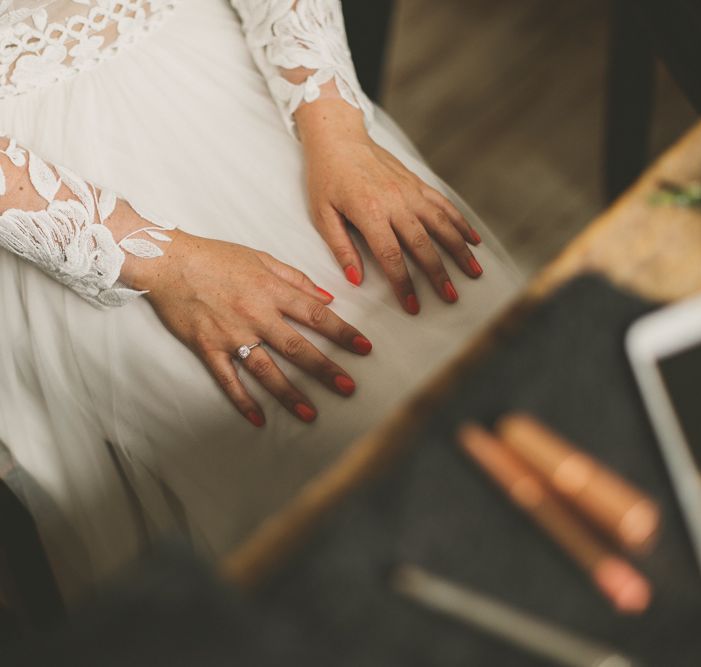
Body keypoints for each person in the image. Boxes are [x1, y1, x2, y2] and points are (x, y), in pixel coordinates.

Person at [0, 0, 521, 602]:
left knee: (489, 346)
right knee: (331, 448)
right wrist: (160, 260)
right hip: (38, 179)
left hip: (229, 59)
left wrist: (336, 128)